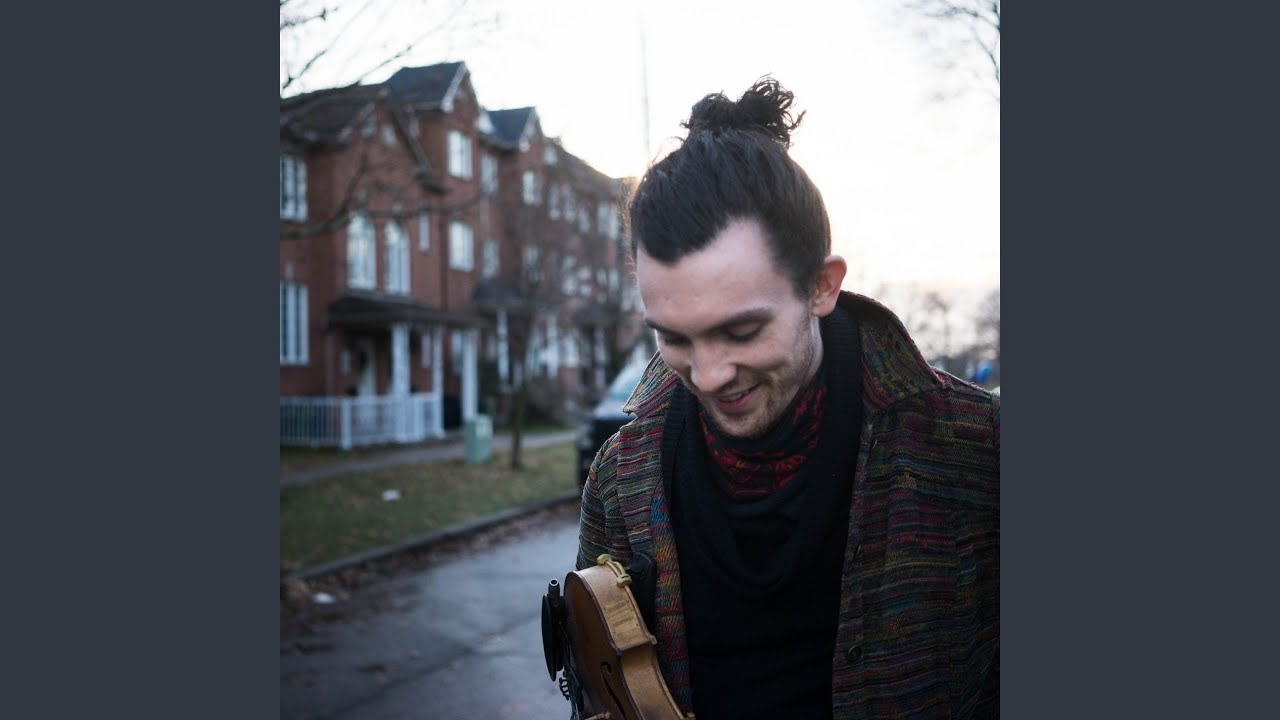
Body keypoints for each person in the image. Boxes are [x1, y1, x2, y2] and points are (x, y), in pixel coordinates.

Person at [575, 77, 999, 720]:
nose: (709, 375)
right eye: (675, 337)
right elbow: (598, 691)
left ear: (821, 287)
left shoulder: (976, 451)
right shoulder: (619, 477)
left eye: (741, 331)